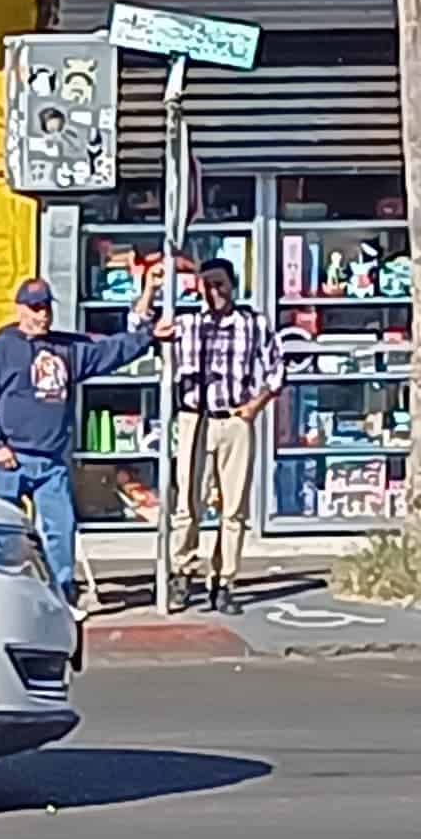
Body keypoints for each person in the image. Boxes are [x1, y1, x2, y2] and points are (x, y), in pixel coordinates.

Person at [0, 277, 168, 612]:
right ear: (19, 309)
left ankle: (61, 596)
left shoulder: (65, 348)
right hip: (9, 458)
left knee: (60, 530)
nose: (41, 315)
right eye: (34, 308)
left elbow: (107, 352)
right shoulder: (0, 349)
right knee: (4, 533)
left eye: (45, 307)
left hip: (51, 461)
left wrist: (147, 337)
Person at [161, 256, 283, 613]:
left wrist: (254, 407)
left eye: (220, 284)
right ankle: (182, 573)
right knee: (188, 502)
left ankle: (224, 581)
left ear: (232, 285)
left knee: (234, 509)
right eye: (207, 284)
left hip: (234, 421)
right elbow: (139, 324)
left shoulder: (253, 324)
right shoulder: (188, 324)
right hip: (194, 419)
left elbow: (277, 369)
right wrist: (152, 287)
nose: (214, 291)